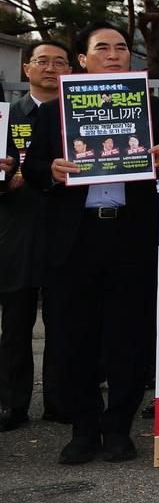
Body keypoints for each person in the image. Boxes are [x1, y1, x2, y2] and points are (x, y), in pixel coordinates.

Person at [21, 20, 159, 465]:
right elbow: (33, 169)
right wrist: (51, 172)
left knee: (128, 336)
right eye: (103, 48)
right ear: (83, 60)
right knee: (72, 337)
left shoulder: (155, 109)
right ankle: (83, 428)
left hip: (131, 234)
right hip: (74, 238)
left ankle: (118, 428)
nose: (113, 54)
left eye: (121, 47)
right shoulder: (55, 111)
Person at [0, 41, 72, 431]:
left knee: (64, 322)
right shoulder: (6, 117)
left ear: (70, 70)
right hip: (18, 229)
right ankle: (12, 404)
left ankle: (60, 401)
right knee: (16, 323)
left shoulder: (78, 116)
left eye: (60, 61)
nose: (51, 67)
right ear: (26, 68)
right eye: (42, 61)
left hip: (66, 227)